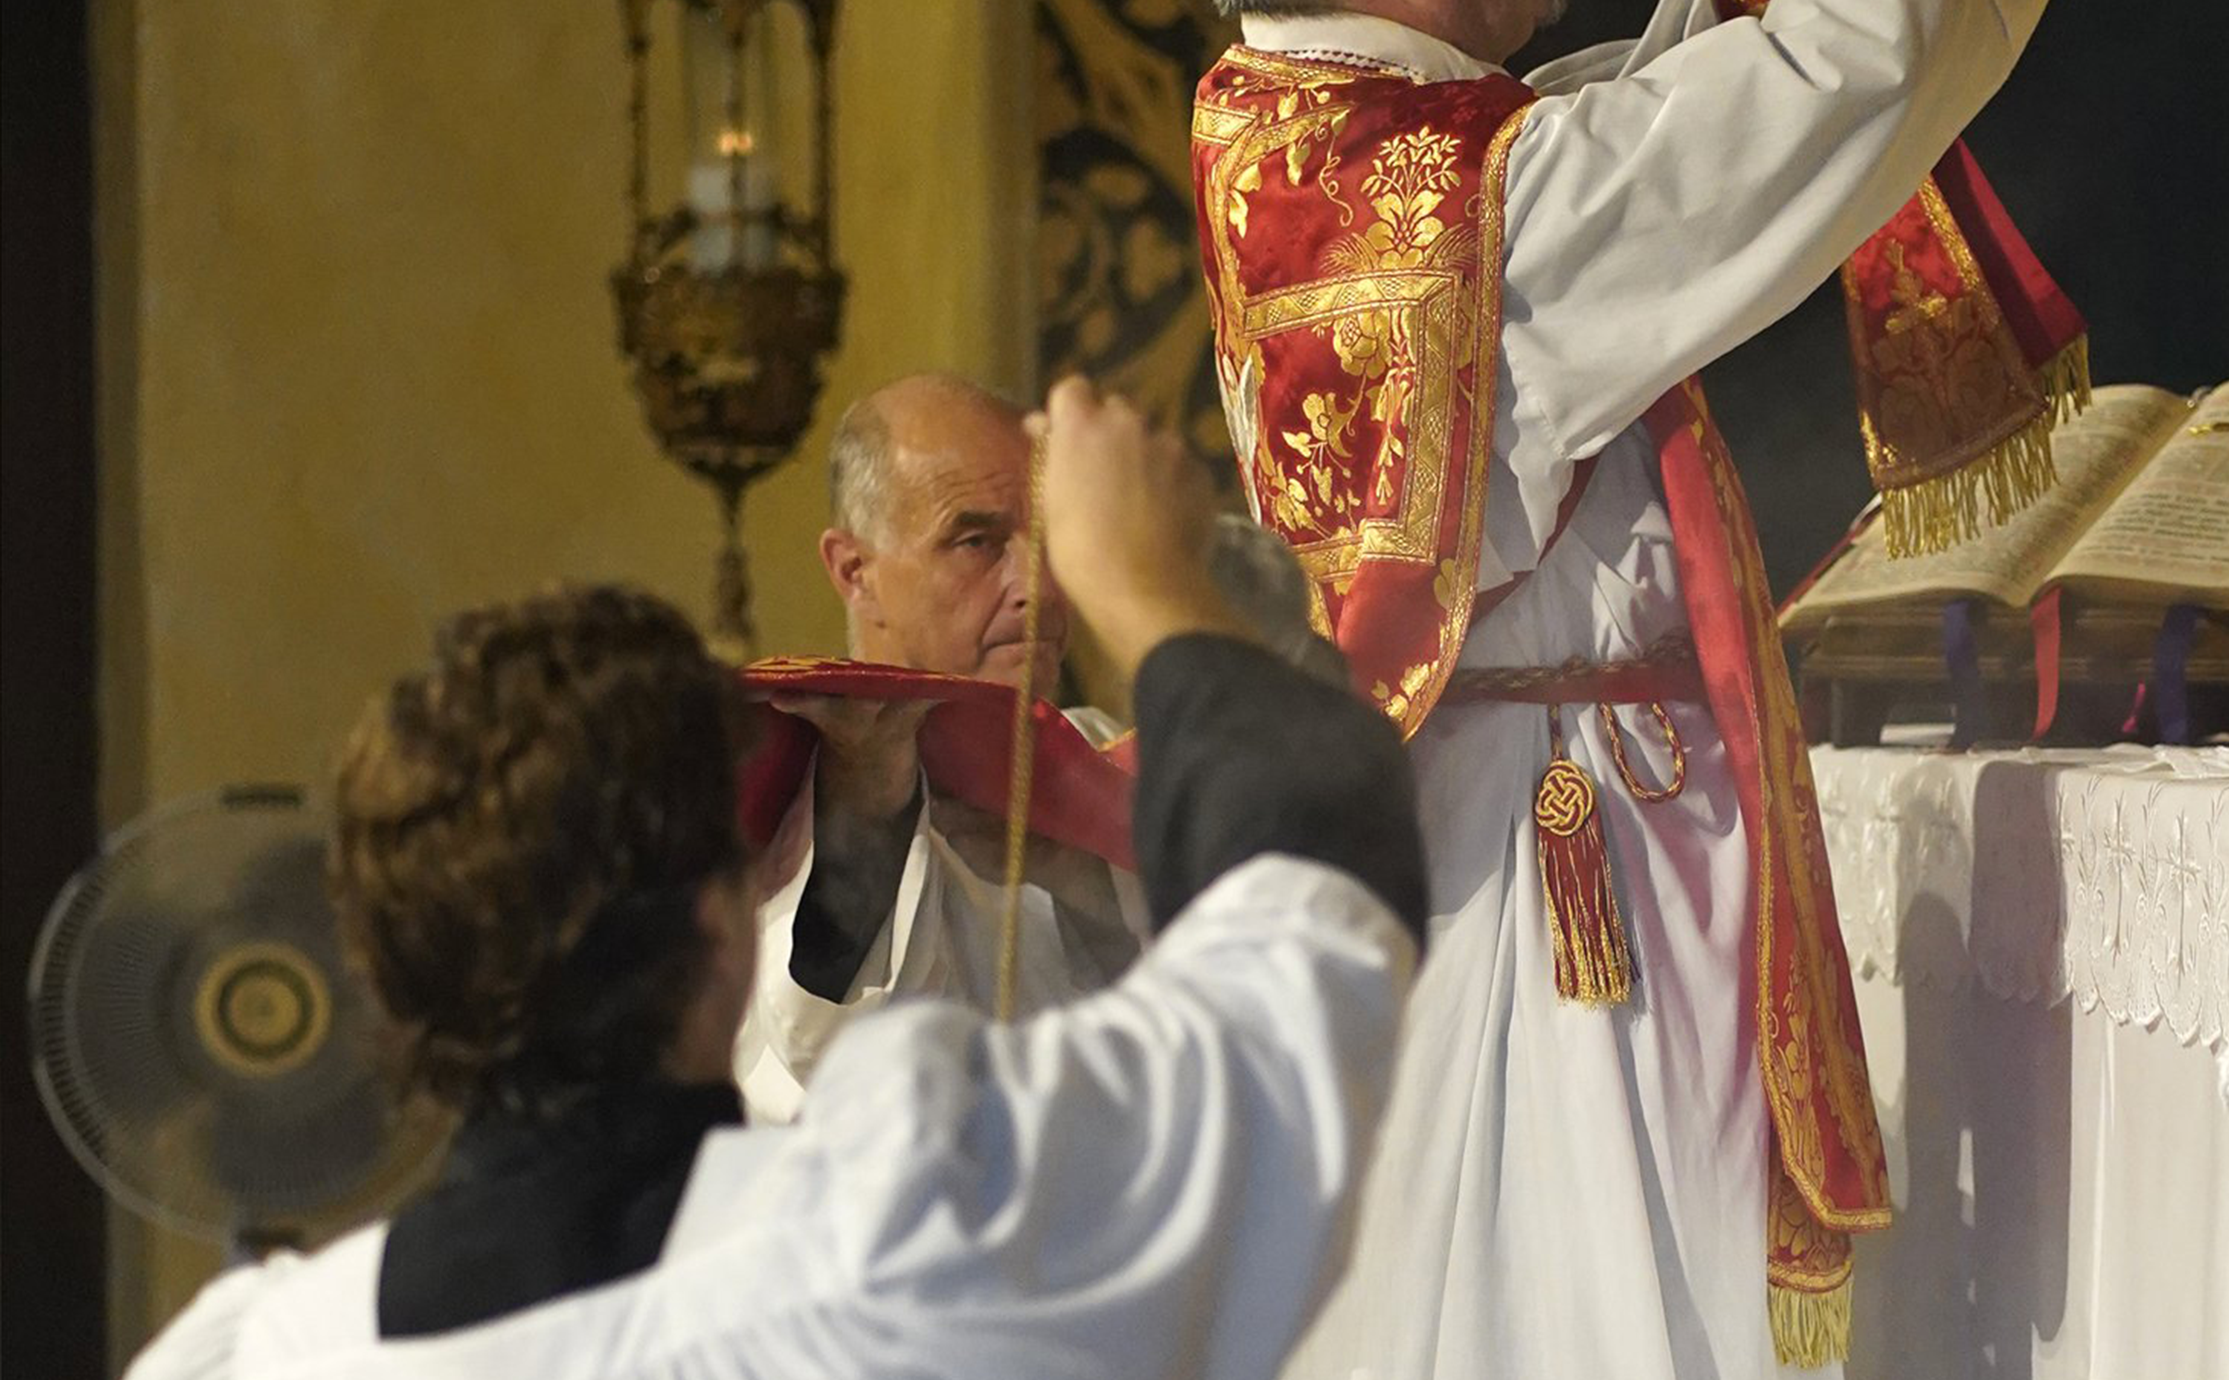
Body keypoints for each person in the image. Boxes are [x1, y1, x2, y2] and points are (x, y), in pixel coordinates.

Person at [1177, 0, 2071, 1378]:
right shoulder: (1469, 211)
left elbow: (1654, 90)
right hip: (1556, 866)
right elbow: (1810, 90)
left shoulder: (1322, 143)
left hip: (1479, 830)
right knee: (1600, 1305)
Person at [129, 377, 1429, 1380]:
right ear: (721, 925)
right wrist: (1159, 589)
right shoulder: (917, 1238)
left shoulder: (264, 1352)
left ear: (392, 978)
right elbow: (1310, 956)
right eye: (979, 540)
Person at [734, 369, 1140, 1120]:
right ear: (856, 572)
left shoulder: (1113, 757)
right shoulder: (782, 788)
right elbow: (823, 1070)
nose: (1040, 587)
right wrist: (868, 802)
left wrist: (1082, 869)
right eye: (976, 540)